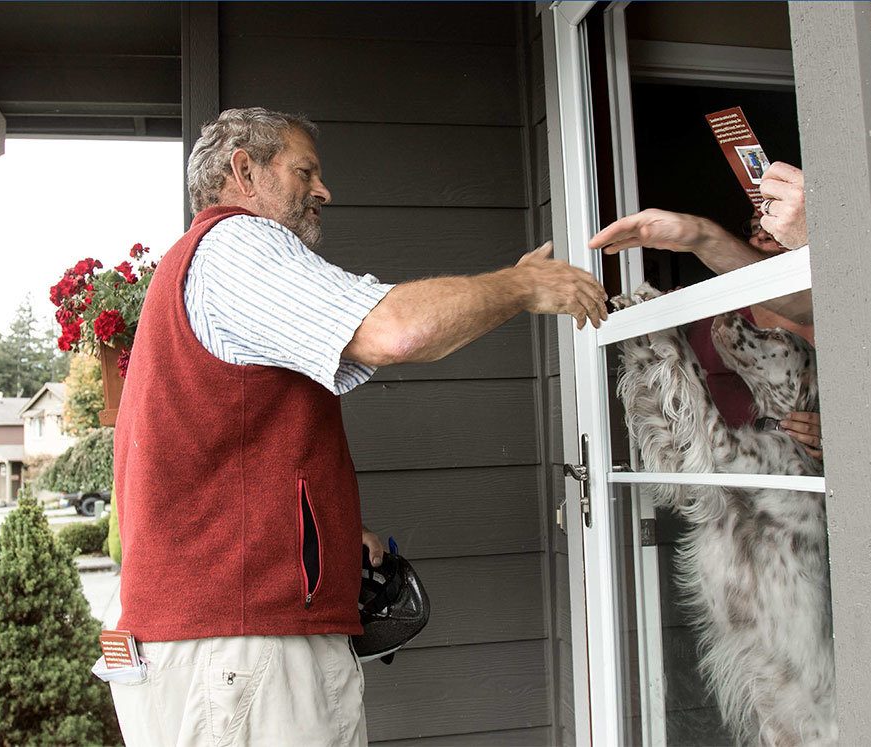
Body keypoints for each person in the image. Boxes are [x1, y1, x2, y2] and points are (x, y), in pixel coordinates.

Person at [110, 107, 608, 744]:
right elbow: (395, 330)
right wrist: (522, 285)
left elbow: (228, 454)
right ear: (244, 171)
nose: (323, 190)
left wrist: (338, 530)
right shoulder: (236, 244)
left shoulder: (197, 267)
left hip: (229, 645)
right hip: (238, 645)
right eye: (304, 171)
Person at [587, 161, 821, 456]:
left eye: (773, 226)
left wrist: (833, 431)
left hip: (788, 483)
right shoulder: (720, 308)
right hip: (718, 480)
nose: (760, 234)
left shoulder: (824, 309)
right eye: (754, 227)